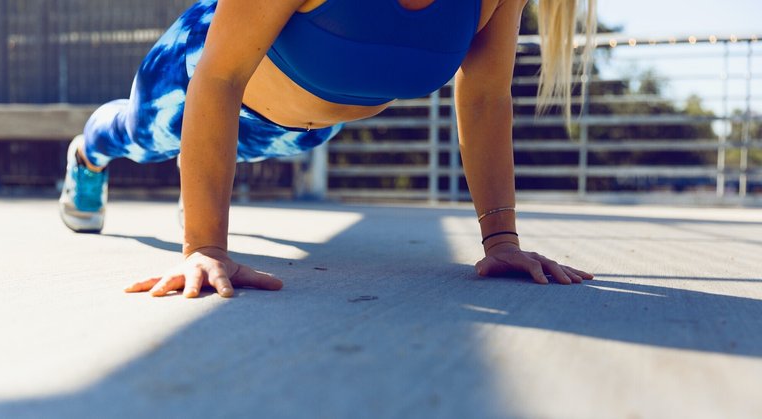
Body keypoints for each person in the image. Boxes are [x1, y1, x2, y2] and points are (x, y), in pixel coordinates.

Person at [59, 0, 597, 298]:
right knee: (136, 136)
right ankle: (86, 156)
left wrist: (501, 240)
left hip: (301, 131)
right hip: (194, 78)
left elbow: (483, 100)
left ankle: (197, 184)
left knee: (225, 156)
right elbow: (219, 78)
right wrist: (207, 247)